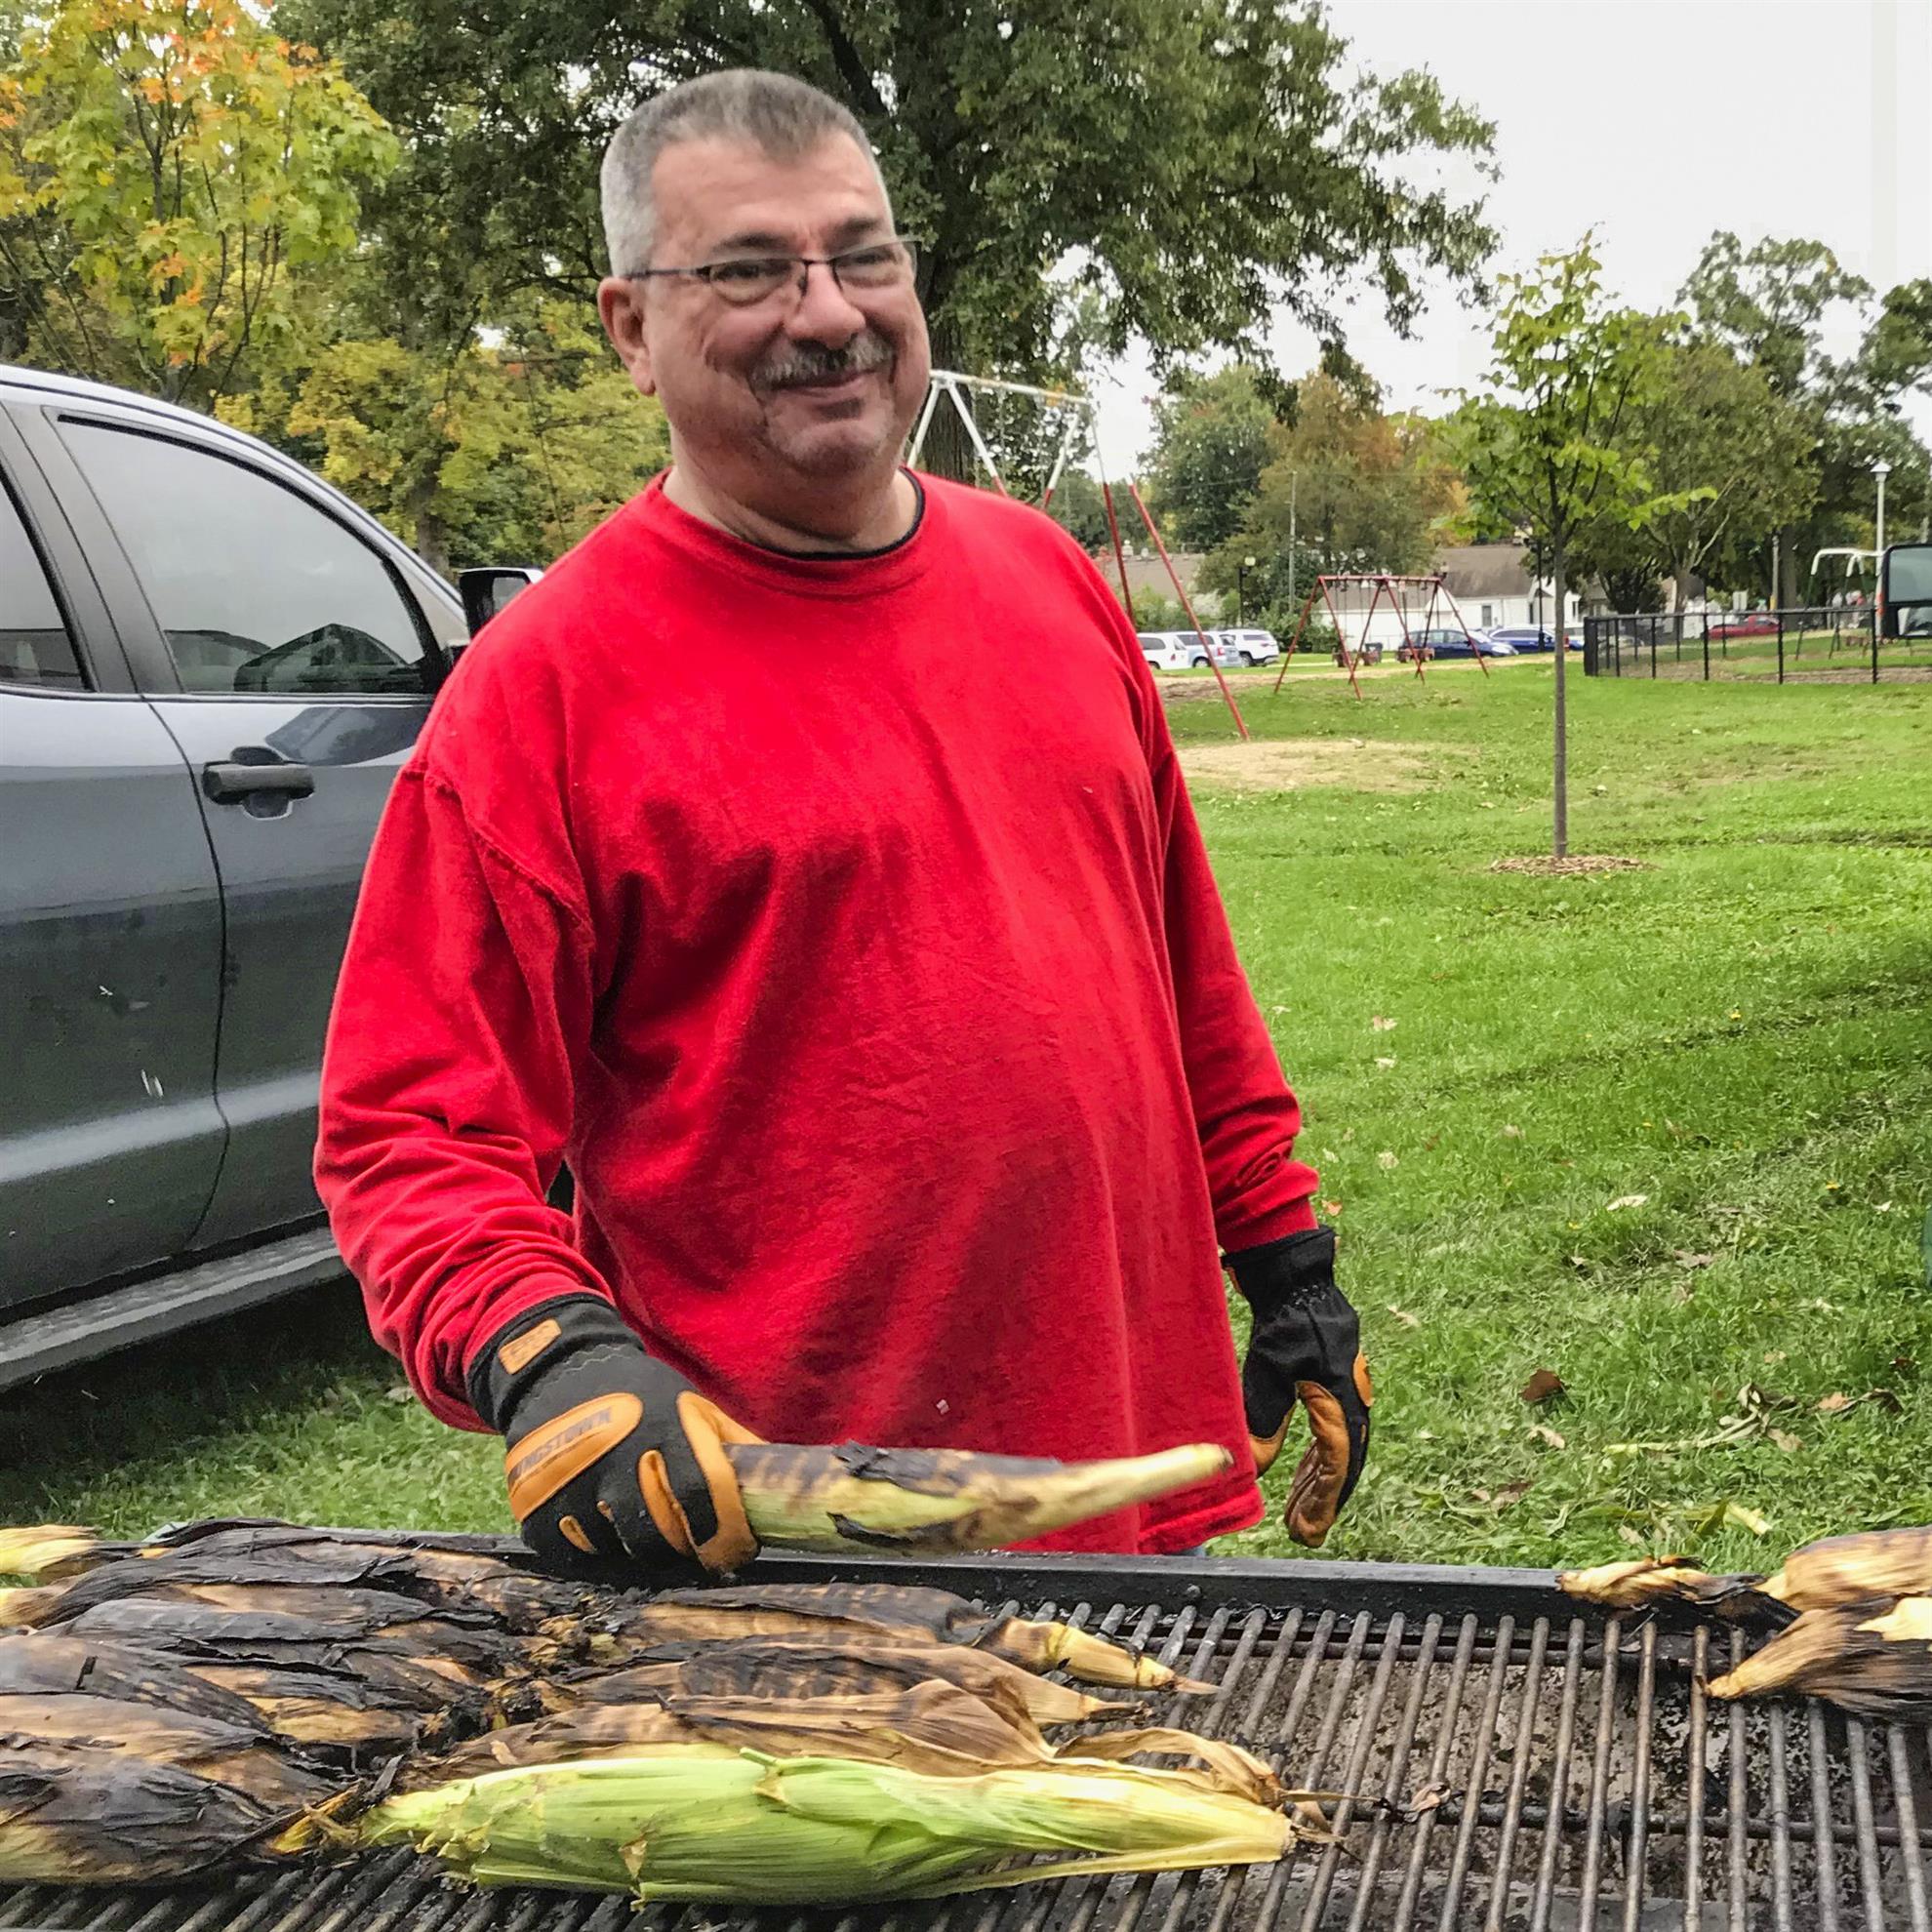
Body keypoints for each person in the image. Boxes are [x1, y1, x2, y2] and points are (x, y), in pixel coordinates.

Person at [314, 68, 1371, 1577]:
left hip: (1129, 1494)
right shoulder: (545, 691)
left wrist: (1286, 1258)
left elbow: (1179, 963)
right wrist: (547, 1354)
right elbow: (409, 1131)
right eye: (750, 270)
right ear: (630, 327)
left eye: (864, 255)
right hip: (801, 1552)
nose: (829, 313)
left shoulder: (1047, 578)